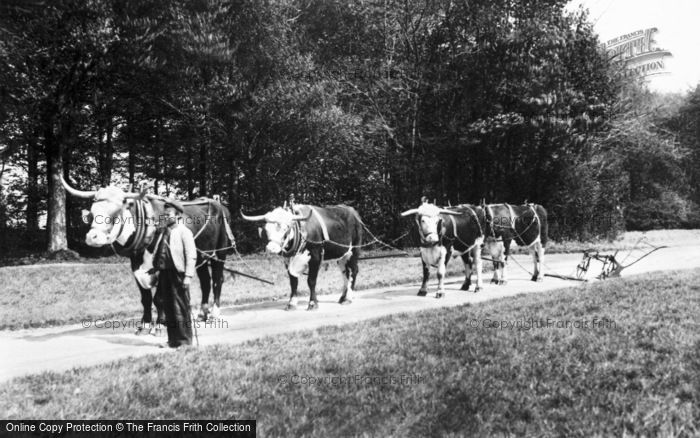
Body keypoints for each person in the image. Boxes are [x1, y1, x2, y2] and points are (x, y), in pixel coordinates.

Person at [152, 200, 197, 349]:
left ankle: (184, 342)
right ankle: (172, 340)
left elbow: (191, 255)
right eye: (165, 213)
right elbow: (158, 251)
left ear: (177, 215)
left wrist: (188, 276)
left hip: (179, 274)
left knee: (181, 308)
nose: (166, 215)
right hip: (165, 273)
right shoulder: (163, 231)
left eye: (169, 213)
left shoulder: (184, 232)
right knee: (169, 308)